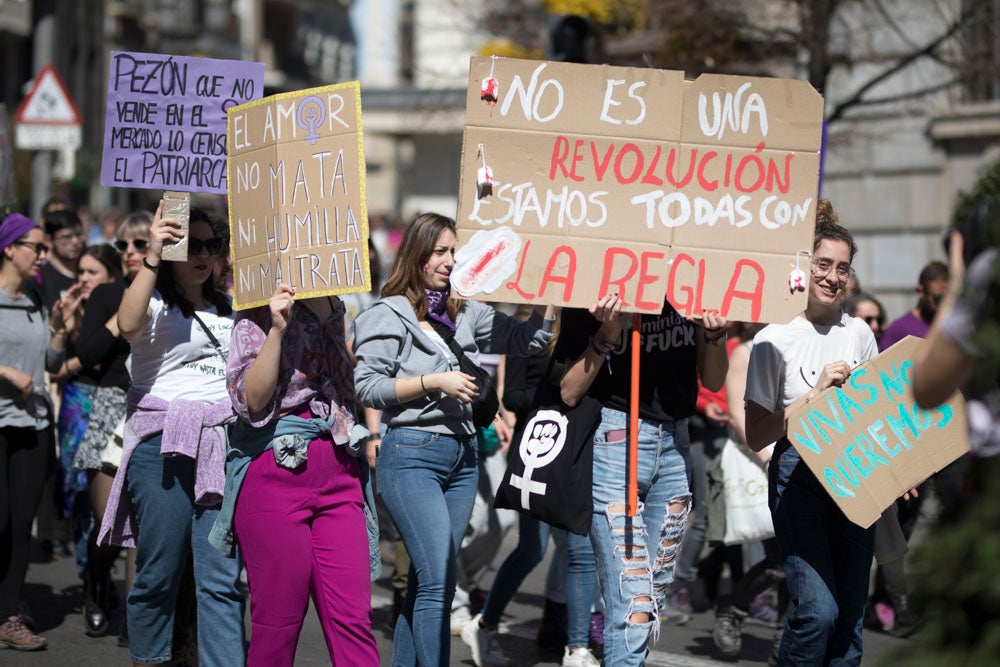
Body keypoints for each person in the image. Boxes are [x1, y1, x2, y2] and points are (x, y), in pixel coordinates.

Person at [353, 212, 555, 666]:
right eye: (440, 251)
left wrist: (545, 295)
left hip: (463, 459)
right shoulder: (387, 314)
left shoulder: (467, 309)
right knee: (439, 578)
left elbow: (529, 340)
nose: (450, 261)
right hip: (411, 457)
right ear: (417, 254)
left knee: (429, 585)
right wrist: (434, 382)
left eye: (454, 252)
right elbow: (367, 387)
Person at [97, 202, 245, 667]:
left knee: (220, 577)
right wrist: (155, 252)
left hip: (218, 445)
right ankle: (151, 658)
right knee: (159, 572)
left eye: (211, 245)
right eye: (192, 245)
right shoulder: (155, 303)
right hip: (162, 446)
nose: (203, 255)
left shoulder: (230, 308)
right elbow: (126, 325)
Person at [557, 290, 728, 663]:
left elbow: (714, 381)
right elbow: (569, 392)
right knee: (631, 600)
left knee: (649, 598)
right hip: (616, 443)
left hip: (675, 446)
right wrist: (607, 332)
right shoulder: (591, 287)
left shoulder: (695, 282)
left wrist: (715, 334)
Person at [216, 282, 380, 666]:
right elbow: (251, 401)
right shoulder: (255, 306)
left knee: (353, 621)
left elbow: (347, 389)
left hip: (338, 469)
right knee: (277, 625)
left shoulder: (333, 302)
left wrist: (329, 322)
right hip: (273, 472)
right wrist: (276, 328)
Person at [744, 200, 879, 666]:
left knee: (849, 622)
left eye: (843, 268)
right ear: (804, 266)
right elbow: (757, 432)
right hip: (797, 478)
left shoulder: (859, 333)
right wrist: (815, 394)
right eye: (823, 264)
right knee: (818, 614)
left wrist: (903, 464)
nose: (833, 276)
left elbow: (877, 412)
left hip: (856, 480)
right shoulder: (773, 339)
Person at [462, 312, 602, 667]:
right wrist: (562, 391)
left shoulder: (599, 332)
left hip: (581, 451)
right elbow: (514, 395)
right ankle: (486, 625)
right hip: (539, 453)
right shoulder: (535, 329)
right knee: (532, 549)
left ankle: (577, 647)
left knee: (579, 549)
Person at [72, 212, 152, 643]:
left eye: (139, 245)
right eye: (123, 247)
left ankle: (136, 617)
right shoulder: (107, 293)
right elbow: (87, 352)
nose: (129, 254)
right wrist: (121, 313)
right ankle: (97, 587)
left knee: (142, 521)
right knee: (108, 522)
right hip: (110, 403)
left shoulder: (168, 294)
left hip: (151, 406)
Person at [0, 213, 70, 650]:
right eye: (36, 247)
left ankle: (8, 616)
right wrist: (5, 372)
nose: (42, 255)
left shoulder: (36, 298)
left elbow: (49, 362)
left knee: (22, 524)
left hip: (33, 425)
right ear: (9, 248)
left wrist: (59, 329)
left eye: (45, 248)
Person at [711, 322, 789, 661]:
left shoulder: (794, 342)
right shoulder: (746, 350)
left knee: (797, 560)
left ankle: (785, 639)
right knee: (779, 561)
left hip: (798, 460)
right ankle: (736, 610)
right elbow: (737, 415)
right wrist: (767, 458)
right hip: (763, 461)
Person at [50, 246, 122, 590]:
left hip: (105, 394)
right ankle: (89, 571)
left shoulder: (118, 299)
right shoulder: (77, 306)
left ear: (110, 274)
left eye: (91, 272)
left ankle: (95, 571)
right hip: (80, 397)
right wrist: (65, 322)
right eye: (80, 272)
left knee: (103, 497)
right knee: (80, 486)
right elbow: (76, 355)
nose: (83, 279)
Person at [880, 261, 949, 349]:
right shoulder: (899, 329)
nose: (943, 305)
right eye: (937, 299)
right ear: (920, 291)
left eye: (948, 299)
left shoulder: (952, 327)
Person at [31, 208, 85, 313]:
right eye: (66, 237)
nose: (75, 241)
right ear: (49, 239)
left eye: (78, 235)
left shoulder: (89, 273)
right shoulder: (40, 277)